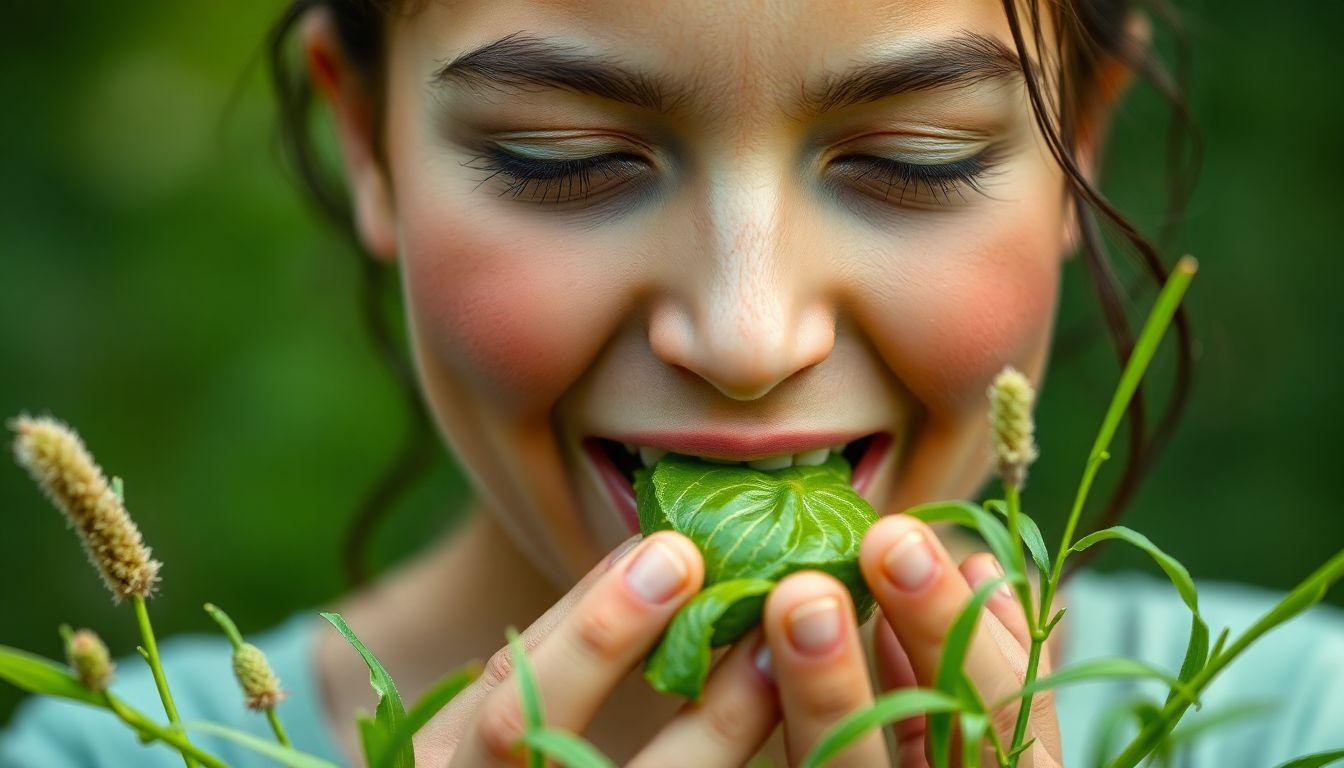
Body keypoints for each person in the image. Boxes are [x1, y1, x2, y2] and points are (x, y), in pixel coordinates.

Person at [3, 0, 1341, 766]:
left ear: (1080, 139)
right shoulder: (120, 749)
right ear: (367, 136)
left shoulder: (1291, 722)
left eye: (919, 158)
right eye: (559, 156)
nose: (750, 338)